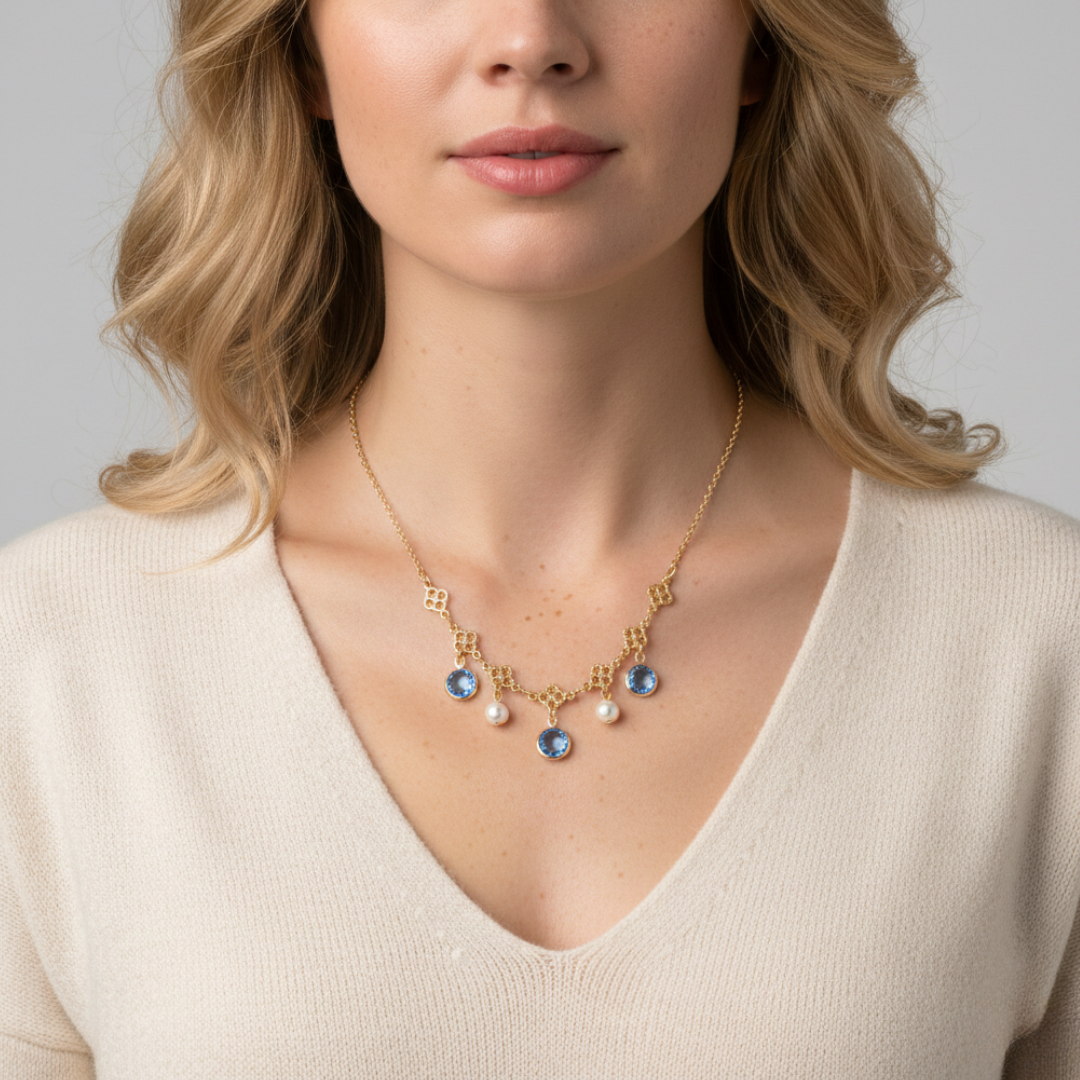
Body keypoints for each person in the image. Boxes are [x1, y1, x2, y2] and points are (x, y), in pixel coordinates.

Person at [1, 0, 1077, 1074]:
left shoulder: (1035, 638)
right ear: (303, 58)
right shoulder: (55, 656)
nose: (531, 38)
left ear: (761, 39)